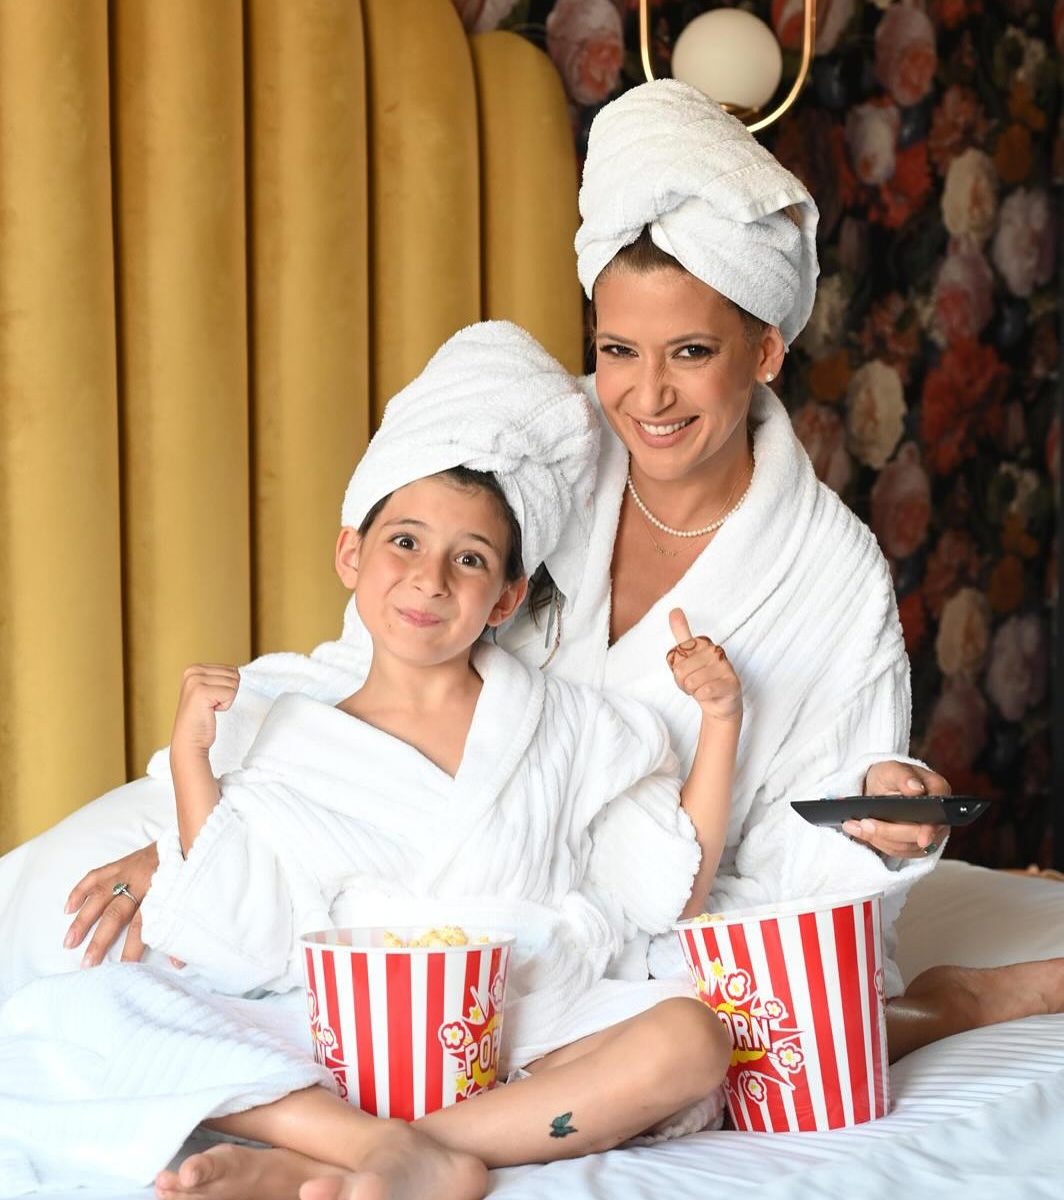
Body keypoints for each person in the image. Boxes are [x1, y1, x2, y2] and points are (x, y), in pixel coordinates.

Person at [29, 82, 1063, 1058]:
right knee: (79, 924)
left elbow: (800, 857)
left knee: (720, 1039)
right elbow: (370, 669)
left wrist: (875, 818)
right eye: (617, 350)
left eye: (691, 353)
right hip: (405, 860)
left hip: (667, 907)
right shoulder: (537, 451)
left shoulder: (828, 574)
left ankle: (946, 1003)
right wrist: (207, 839)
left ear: (762, 354)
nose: (646, 398)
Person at [0, 322, 736, 1199]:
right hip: (336, 1037)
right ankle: (387, 1146)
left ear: (505, 598)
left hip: (522, 1027)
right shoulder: (290, 728)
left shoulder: (572, 727)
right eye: (405, 543)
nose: (430, 581)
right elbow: (242, 940)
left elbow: (667, 889)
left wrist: (720, 721)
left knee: (692, 1039)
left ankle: (354, 1155)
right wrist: (194, 763)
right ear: (352, 553)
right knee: (76, 1014)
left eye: (470, 560)